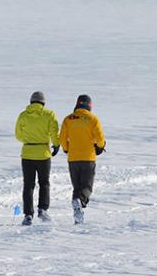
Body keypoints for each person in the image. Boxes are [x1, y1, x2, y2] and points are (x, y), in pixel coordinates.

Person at [14, 91, 60, 226]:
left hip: (27, 153)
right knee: (44, 183)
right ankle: (42, 210)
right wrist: (56, 145)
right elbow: (54, 132)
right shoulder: (49, 114)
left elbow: (18, 135)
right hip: (43, 154)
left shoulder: (23, 115)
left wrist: (28, 140)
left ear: (31, 102)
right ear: (43, 103)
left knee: (28, 184)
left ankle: (28, 215)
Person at [59, 94, 106, 224]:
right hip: (88, 158)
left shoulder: (68, 119)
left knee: (76, 187)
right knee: (86, 187)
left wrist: (66, 148)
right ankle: (80, 202)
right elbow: (100, 138)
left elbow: (62, 138)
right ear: (89, 105)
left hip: (73, 158)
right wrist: (100, 147)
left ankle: (77, 214)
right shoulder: (92, 119)